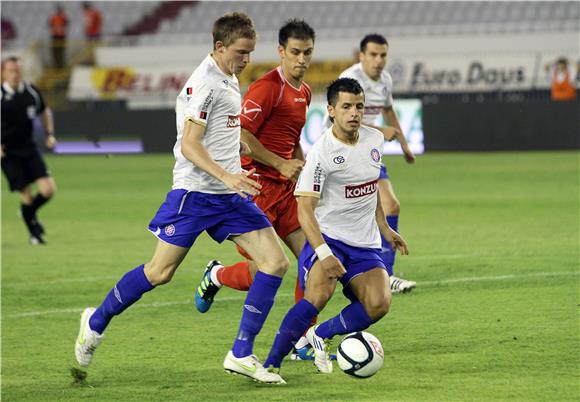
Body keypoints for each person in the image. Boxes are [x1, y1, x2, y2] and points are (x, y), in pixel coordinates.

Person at [74, 12, 288, 385]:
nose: (247, 60)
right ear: (220, 47)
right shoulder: (205, 83)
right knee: (160, 273)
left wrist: (256, 165)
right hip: (195, 193)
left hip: (228, 194)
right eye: (241, 52)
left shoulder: (228, 77)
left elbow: (225, 136)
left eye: (251, 52)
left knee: (275, 262)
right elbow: (189, 145)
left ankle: (241, 353)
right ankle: (95, 321)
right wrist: (227, 175)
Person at [262, 78, 409, 376]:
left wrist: (385, 228)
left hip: (364, 244)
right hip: (327, 239)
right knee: (318, 296)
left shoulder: (374, 140)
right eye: (346, 107)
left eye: (359, 106)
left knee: (379, 303)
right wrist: (324, 252)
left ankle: (318, 336)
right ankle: (271, 364)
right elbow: (304, 209)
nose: (354, 113)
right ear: (331, 110)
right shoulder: (321, 154)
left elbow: (370, 190)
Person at [193, 19, 320, 359]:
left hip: (285, 190)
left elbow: (291, 139)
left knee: (313, 258)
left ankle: (303, 338)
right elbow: (243, 134)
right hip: (257, 187)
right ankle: (217, 275)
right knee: (266, 267)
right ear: (281, 52)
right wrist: (279, 165)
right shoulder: (268, 87)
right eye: (294, 52)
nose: (301, 59)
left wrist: (301, 172)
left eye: (307, 53)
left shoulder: (304, 92)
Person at [332, 33, 416, 294]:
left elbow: (389, 110)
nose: (379, 61)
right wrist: (380, 129)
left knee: (391, 205)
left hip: (369, 154)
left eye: (383, 55)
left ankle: (385, 276)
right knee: (340, 214)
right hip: (344, 154)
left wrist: (403, 143)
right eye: (373, 55)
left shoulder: (386, 81)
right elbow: (338, 120)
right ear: (362, 56)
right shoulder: (350, 79)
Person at [1, 56, 57, 245]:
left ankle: (28, 211)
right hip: (8, 153)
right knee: (25, 194)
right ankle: (35, 235)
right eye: (11, 71)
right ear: (3, 73)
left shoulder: (31, 92)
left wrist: (49, 133)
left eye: (18, 70)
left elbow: (45, 111)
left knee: (48, 190)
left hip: (29, 148)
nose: (15, 74)